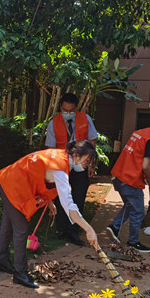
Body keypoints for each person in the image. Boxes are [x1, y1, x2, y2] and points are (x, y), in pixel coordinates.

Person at [0, 141, 99, 288]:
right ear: (76, 156)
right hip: (14, 185)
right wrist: (88, 229)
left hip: (11, 179)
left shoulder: (60, 157)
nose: (87, 165)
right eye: (87, 161)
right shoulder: (61, 168)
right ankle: (20, 274)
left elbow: (42, 174)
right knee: (21, 228)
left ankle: (1, 259)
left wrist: (49, 201)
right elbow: (69, 205)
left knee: (8, 223)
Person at [106, 115, 150, 253]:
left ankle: (114, 227)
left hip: (119, 176)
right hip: (131, 180)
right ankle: (133, 242)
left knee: (129, 205)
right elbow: (146, 165)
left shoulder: (140, 133)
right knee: (138, 212)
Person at [45, 93, 98, 246]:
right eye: (64, 110)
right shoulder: (53, 123)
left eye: (71, 110)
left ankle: (74, 231)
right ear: (60, 107)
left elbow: (92, 140)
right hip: (62, 166)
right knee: (61, 197)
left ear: (76, 108)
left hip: (80, 164)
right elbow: (50, 148)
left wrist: (90, 164)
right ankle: (62, 230)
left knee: (78, 197)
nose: (68, 113)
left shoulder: (85, 119)